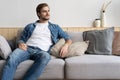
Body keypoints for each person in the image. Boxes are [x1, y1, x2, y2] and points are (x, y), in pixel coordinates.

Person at [1, 3, 72, 80]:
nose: (48, 13)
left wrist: (66, 45)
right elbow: (21, 39)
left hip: (42, 51)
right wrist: (20, 43)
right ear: (39, 13)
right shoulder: (30, 26)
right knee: (12, 58)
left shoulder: (55, 27)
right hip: (27, 49)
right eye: (44, 11)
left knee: (46, 57)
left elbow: (68, 38)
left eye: (48, 11)